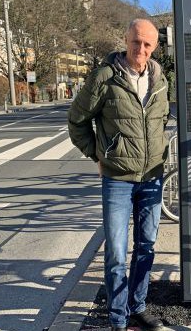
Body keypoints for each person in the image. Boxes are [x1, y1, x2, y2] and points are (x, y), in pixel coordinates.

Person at [68, 18, 169, 331]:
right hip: (117, 179)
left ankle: (137, 306)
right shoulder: (105, 77)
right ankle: (117, 318)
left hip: (151, 176)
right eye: (136, 41)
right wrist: (98, 154)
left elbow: (160, 121)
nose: (141, 49)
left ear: (155, 47)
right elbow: (77, 121)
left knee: (146, 247)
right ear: (126, 40)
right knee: (115, 252)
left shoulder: (160, 78)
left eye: (147, 44)